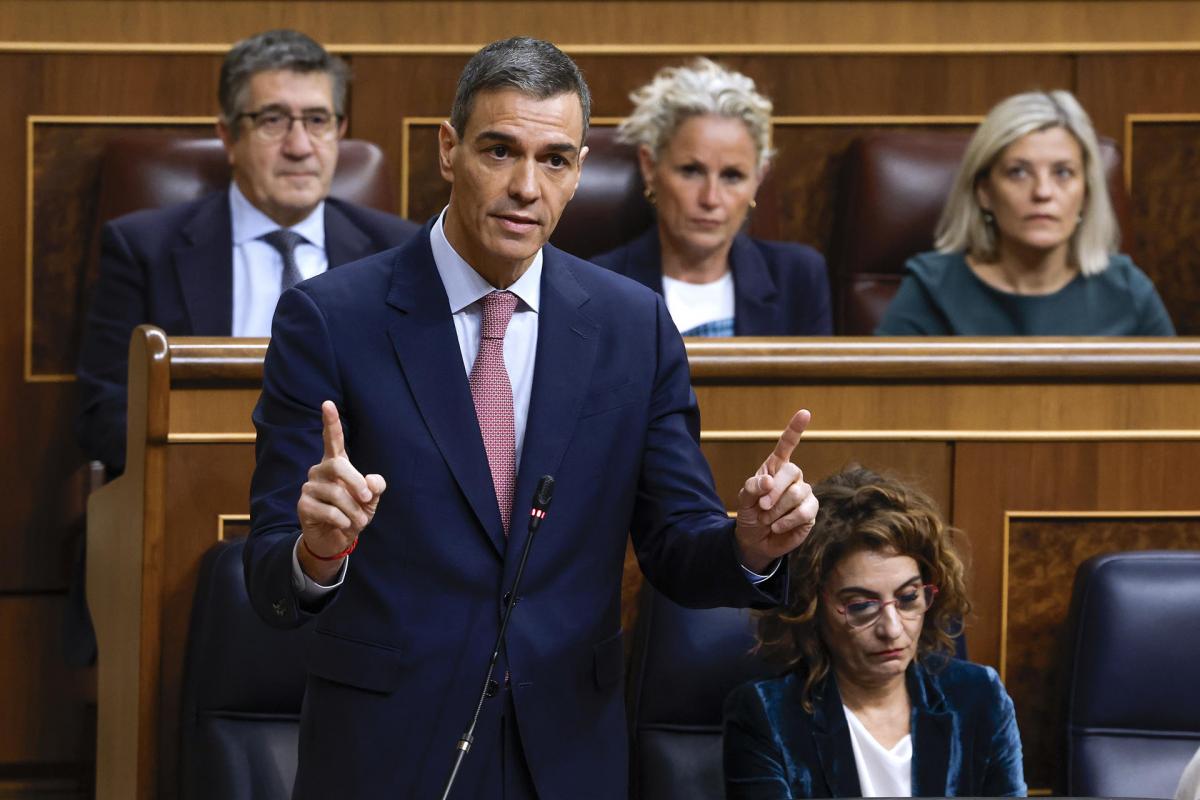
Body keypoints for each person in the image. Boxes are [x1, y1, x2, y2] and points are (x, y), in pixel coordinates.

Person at [243, 37, 819, 799]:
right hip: (386, 750)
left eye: (554, 159)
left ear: (579, 171)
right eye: (499, 150)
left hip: (566, 748)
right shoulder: (330, 318)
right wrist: (319, 553)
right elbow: (270, 576)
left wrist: (750, 544)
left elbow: (678, 545)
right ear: (449, 150)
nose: (525, 185)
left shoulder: (632, 327)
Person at [75, 28, 419, 478]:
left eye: (318, 120)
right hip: (197, 495)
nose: (299, 147)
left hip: (355, 502)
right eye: (273, 120)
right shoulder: (144, 249)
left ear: (340, 131)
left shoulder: (399, 250)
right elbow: (105, 412)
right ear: (229, 135)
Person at [724, 467, 1026, 797]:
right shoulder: (767, 715)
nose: (892, 629)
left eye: (909, 598)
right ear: (811, 606)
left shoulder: (979, 697)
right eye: (862, 606)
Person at [876, 90, 1174, 336]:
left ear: (1086, 195)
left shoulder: (1127, 292)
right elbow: (880, 404)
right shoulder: (931, 292)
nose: (1042, 192)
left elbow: (1174, 404)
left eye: (1063, 173)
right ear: (985, 193)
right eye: (1018, 172)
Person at [591, 58, 830, 337]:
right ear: (650, 167)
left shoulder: (798, 277)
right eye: (691, 171)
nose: (711, 198)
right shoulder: (600, 283)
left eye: (732, 176)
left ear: (758, 178)